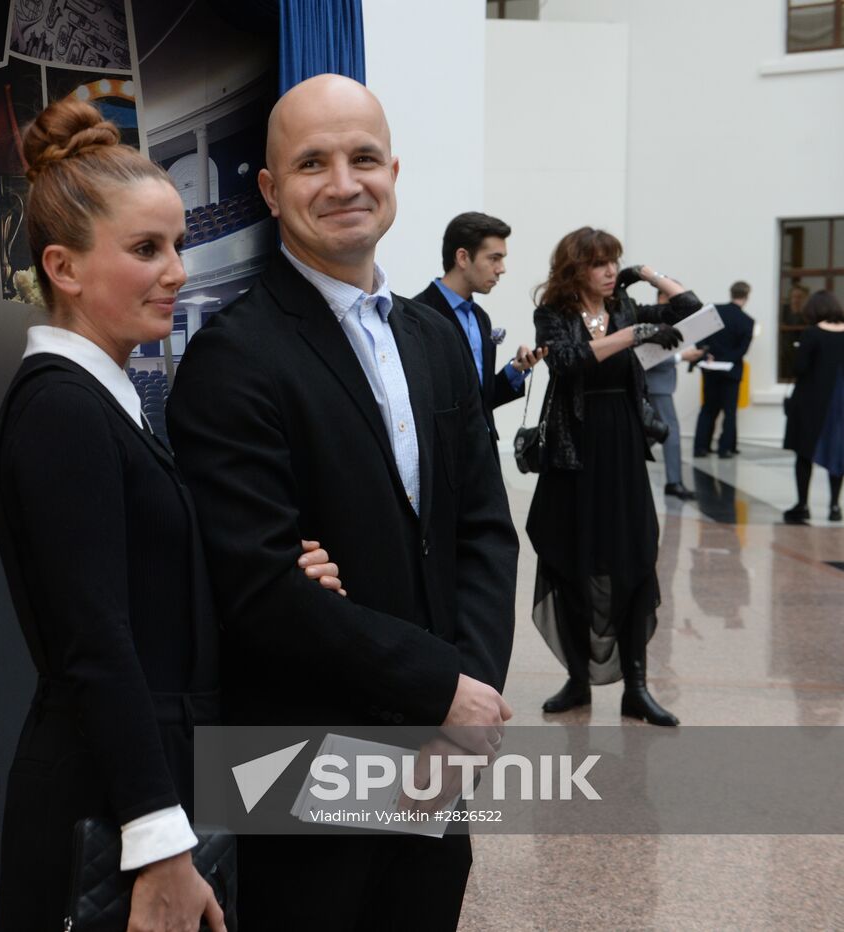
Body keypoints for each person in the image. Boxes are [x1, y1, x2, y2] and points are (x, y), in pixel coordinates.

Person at [0, 98, 344, 932]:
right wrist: (159, 848)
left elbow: (142, 595)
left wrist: (274, 577)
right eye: (147, 249)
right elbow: (96, 646)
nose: (177, 271)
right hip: (107, 811)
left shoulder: (106, 402)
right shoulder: (62, 413)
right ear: (63, 269)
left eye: (176, 245)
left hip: (150, 789)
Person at [168, 74, 518, 931]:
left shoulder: (434, 337)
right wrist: (441, 688)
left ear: (394, 171)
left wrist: (466, 703)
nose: (343, 182)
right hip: (304, 766)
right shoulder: (232, 358)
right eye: (312, 163)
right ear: (270, 190)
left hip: (441, 764)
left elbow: (482, 534)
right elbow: (261, 589)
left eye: (364, 158)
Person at [528, 227, 702, 727]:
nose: (609, 271)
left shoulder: (626, 305)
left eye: (614, 263)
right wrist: (632, 336)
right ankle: (578, 680)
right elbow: (566, 360)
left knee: (632, 559)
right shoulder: (554, 315)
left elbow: (691, 310)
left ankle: (637, 687)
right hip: (575, 450)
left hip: (622, 442)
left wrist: (645, 273)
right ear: (575, 269)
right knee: (573, 559)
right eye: (600, 263)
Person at [414, 212, 545, 446]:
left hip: (484, 453)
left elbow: (481, 400)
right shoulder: (417, 316)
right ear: (463, 257)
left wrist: (514, 371)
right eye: (494, 258)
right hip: (445, 458)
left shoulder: (480, 318)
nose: (501, 269)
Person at [783, 290, 844, 523]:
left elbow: (800, 367)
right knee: (837, 455)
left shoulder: (812, 334)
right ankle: (835, 506)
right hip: (838, 405)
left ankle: (802, 504)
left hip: (810, 402)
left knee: (804, 454)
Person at [645, 284, 706, 499]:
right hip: (656, 383)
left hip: (660, 383)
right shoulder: (653, 318)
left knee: (652, 432)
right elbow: (649, 355)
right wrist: (682, 357)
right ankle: (674, 482)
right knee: (670, 431)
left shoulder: (665, 318)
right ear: (663, 296)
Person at [693, 280, 753, 458]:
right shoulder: (747, 321)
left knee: (708, 409)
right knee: (729, 411)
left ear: (731, 293)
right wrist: (725, 360)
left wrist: (707, 354)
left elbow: (699, 335)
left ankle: (701, 447)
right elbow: (742, 350)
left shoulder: (713, 311)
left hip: (710, 368)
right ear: (747, 296)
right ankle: (725, 448)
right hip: (731, 372)